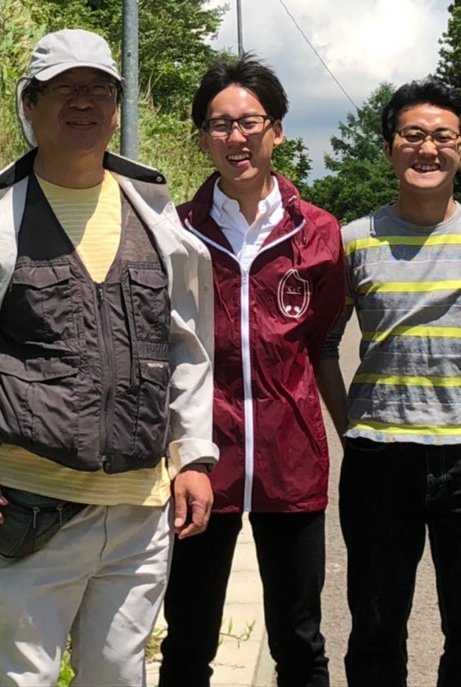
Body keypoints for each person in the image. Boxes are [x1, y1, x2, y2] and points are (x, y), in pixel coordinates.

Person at [0, 28, 218, 686]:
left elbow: (186, 344)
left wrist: (194, 455)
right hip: (24, 511)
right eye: (65, 89)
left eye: (99, 88)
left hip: (139, 517)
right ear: (30, 105)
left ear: (117, 105)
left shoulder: (156, 216)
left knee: (120, 677)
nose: (84, 102)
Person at [323, 77, 461, 687]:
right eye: (412, 135)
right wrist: (350, 429)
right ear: (390, 149)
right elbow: (321, 346)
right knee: (374, 626)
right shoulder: (352, 242)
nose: (428, 149)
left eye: (444, 137)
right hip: (378, 458)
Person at [159, 56, 346, 687]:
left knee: (299, 639)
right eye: (219, 124)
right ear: (202, 137)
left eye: (249, 122)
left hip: (290, 459)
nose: (235, 137)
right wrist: (181, 452)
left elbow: (319, 339)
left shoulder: (318, 233)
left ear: (278, 131)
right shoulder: (176, 232)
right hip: (199, 459)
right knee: (187, 639)